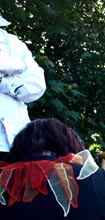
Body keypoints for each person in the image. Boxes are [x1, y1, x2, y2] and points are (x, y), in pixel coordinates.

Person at [0, 13, 46, 159]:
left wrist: (3, 83)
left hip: (14, 142)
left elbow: (37, 85)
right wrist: (15, 67)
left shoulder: (12, 44)